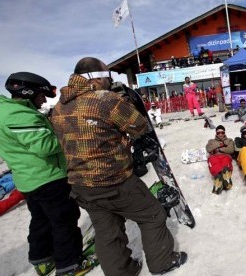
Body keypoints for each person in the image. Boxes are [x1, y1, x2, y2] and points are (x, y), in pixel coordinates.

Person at [50, 57, 187, 276]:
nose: (109, 81)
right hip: (114, 181)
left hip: (80, 184)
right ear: (95, 78)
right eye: (107, 77)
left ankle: (122, 272)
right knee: (152, 215)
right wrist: (126, 105)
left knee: (107, 232)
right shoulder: (105, 100)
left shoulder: (58, 107)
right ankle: (163, 262)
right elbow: (139, 125)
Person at [0, 72, 86, 276]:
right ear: (28, 93)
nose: (44, 100)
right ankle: (69, 264)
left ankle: (42, 257)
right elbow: (45, 146)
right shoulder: (19, 116)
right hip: (47, 177)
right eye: (41, 95)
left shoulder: (7, 111)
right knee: (64, 220)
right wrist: (68, 134)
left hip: (28, 179)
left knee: (41, 219)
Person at [205, 125, 235, 194]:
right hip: (214, 156)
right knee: (214, 163)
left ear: (224, 133)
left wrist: (218, 149)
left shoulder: (229, 140)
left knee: (225, 164)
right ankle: (221, 178)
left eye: (222, 132)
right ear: (216, 133)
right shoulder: (211, 141)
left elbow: (230, 150)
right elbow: (208, 149)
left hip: (225, 155)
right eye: (218, 133)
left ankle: (221, 180)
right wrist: (221, 145)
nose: (220, 134)